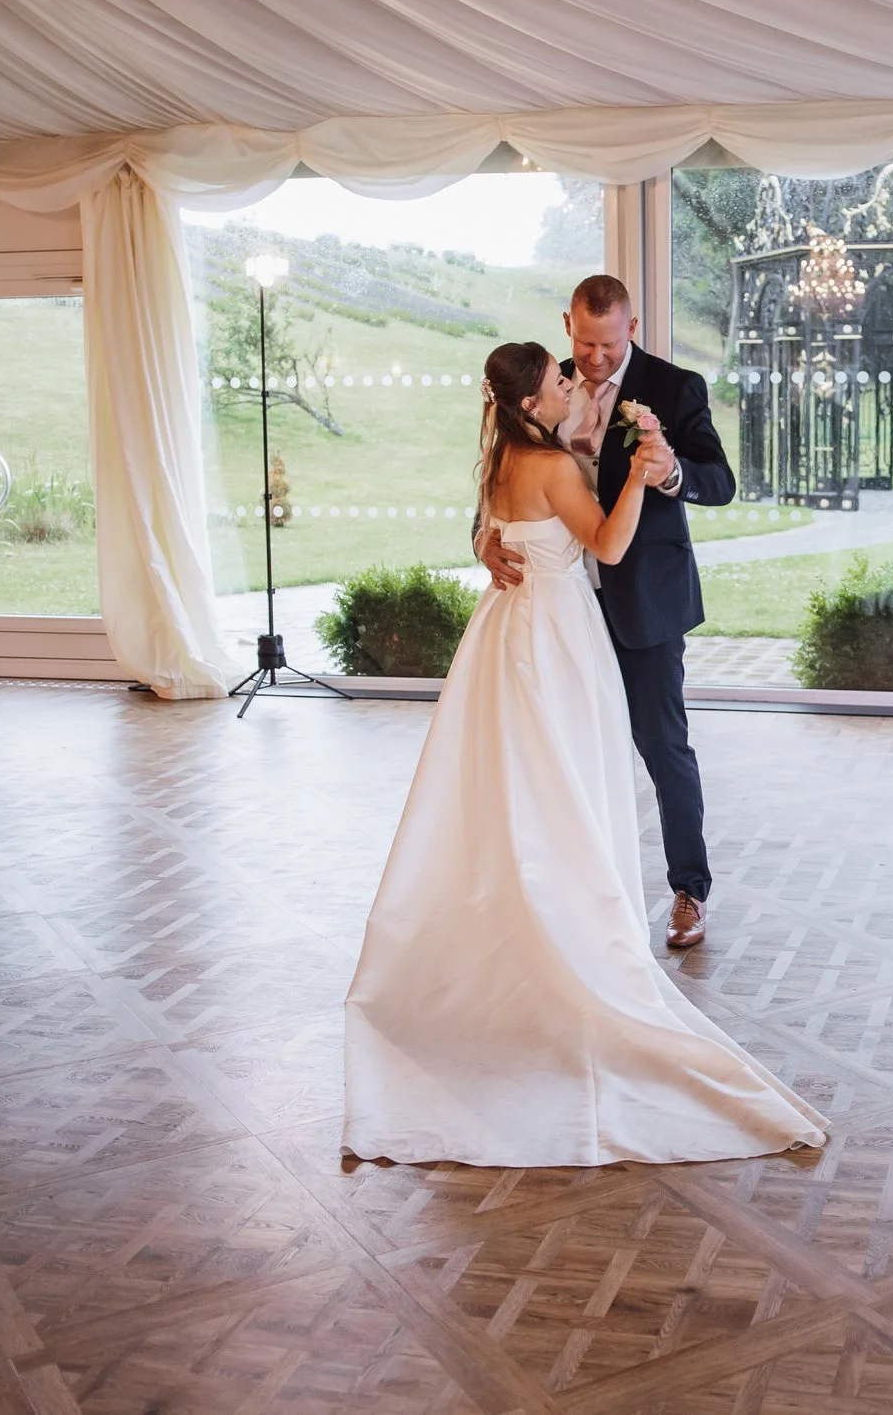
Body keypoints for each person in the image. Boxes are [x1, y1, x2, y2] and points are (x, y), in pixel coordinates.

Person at [341, 342, 825, 1166]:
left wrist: (658, 467)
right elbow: (605, 545)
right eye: (561, 373)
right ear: (534, 398)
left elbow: (511, 517)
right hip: (560, 637)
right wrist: (635, 476)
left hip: (518, 633)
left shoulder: (506, 450)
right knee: (566, 785)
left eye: (581, 363)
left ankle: (576, 913)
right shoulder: (552, 462)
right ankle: (574, 935)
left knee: (526, 789)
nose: (575, 373)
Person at [480, 275, 731, 950]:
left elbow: (721, 481)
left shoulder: (674, 388)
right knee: (561, 753)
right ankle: (566, 894)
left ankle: (689, 889)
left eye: (609, 344)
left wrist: (670, 473)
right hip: (558, 609)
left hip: (644, 602)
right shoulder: (542, 384)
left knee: (663, 746)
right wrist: (485, 539)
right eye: (585, 343)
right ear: (568, 324)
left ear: (633, 328)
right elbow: (500, 477)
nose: (594, 359)